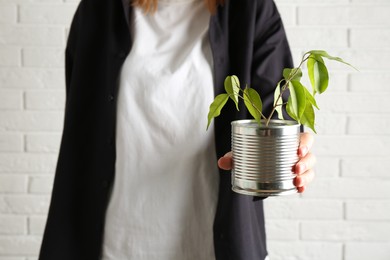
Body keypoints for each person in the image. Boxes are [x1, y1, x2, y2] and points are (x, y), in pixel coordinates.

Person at [39, 0, 316, 259]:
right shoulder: (101, 7)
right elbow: (84, 125)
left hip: (210, 242)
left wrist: (291, 155)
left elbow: (277, 111)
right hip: (116, 239)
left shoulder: (251, 8)